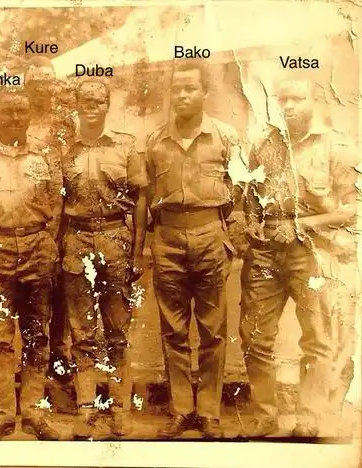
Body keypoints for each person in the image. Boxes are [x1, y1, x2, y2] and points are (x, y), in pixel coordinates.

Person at [240, 76, 359, 438]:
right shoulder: (265, 145)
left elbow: (351, 210)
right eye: (283, 99)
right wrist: (250, 224)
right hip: (266, 252)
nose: (288, 106)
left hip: (311, 253)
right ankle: (263, 414)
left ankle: (310, 416)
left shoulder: (336, 147)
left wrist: (303, 224)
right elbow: (249, 194)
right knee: (255, 335)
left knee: (317, 337)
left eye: (297, 98)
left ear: (315, 100)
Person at [144, 60, 240, 439]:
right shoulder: (155, 141)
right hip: (167, 237)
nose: (182, 95)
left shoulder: (225, 137)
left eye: (190, 89)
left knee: (213, 329)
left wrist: (231, 237)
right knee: (174, 328)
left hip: (209, 233)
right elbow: (147, 195)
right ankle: (182, 410)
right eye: (177, 89)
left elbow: (243, 191)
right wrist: (148, 246)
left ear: (204, 93)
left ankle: (211, 413)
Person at [0, 88, 63, 440]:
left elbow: (57, 203)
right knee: (0, 336)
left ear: (29, 116)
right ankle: (4, 414)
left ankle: (35, 413)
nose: (15, 119)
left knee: (38, 334)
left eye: (21, 112)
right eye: (8, 112)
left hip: (37, 247)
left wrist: (47, 241)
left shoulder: (45, 154)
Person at [59, 79, 148, 439]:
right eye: (86, 101)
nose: (92, 107)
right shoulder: (65, 150)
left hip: (115, 239)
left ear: (107, 105)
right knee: (82, 331)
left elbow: (140, 199)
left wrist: (138, 251)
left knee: (117, 330)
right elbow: (56, 202)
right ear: (77, 105)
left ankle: (121, 409)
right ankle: (86, 410)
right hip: (76, 240)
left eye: (98, 101)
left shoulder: (126, 147)